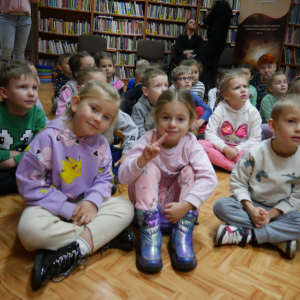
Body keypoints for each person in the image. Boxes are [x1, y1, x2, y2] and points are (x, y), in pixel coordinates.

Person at [16, 81, 135, 290]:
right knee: (29, 231)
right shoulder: (48, 137)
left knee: (126, 208)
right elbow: (30, 184)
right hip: (50, 207)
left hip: (86, 208)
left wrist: (92, 201)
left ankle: (73, 249)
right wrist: (67, 209)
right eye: (94, 109)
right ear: (76, 103)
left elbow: (105, 179)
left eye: (106, 117)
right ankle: (102, 237)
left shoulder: (101, 144)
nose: (98, 118)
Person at [119, 88, 218, 272]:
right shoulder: (147, 140)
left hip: (177, 209)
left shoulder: (190, 143)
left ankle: (182, 233)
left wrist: (187, 205)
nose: (172, 124)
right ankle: (150, 236)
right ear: (156, 118)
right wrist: (142, 160)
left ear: (190, 122)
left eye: (180, 119)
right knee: (148, 167)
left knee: (191, 170)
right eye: (166, 118)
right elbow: (123, 177)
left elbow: (210, 178)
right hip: (146, 203)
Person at [213, 94, 300, 259]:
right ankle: (277, 238)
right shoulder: (255, 152)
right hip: (250, 205)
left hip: (281, 210)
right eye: (291, 121)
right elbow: (238, 183)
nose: (298, 128)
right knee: (221, 205)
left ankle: (248, 235)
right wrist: (252, 210)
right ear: (273, 125)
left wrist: (272, 214)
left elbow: (297, 196)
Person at [199, 69, 262, 171]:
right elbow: (209, 133)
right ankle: (233, 167)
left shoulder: (253, 112)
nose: (243, 90)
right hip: (219, 148)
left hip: (240, 151)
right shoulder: (220, 109)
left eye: (245, 86)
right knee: (200, 145)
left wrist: (236, 149)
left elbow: (255, 139)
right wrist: (225, 148)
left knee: (259, 155)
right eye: (237, 88)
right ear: (226, 95)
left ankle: (221, 162)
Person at [0, 64, 46, 195]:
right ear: (4, 92)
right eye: (23, 87)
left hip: (28, 162)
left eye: (34, 88)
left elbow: (42, 148)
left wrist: (12, 160)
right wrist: (9, 154)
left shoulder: (38, 114)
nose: (31, 93)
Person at [172, 65, 212, 139]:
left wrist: (200, 121)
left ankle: (201, 136)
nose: (187, 81)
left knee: (200, 109)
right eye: (182, 79)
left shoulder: (191, 94)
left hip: (190, 124)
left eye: (189, 78)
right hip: (177, 123)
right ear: (174, 84)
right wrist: (190, 122)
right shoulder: (171, 96)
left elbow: (208, 109)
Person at [199, 0, 232, 88]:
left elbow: (207, 20)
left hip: (214, 40)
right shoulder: (228, 7)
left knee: (198, 63)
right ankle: (215, 88)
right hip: (221, 41)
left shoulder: (218, 3)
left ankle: (206, 86)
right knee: (214, 66)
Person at [131, 67, 168, 139]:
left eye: (166, 85)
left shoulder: (169, 106)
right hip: (146, 145)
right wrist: (156, 139)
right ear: (146, 91)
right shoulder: (139, 108)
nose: (164, 89)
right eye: (158, 85)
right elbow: (137, 132)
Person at [56, 51, 95, 117]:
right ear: (77, 73)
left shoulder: (98, 84)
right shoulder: (68, 89)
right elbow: (60, 116)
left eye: (94, 66)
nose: (94, 70)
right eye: (88, 68)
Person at [260, 73, 288, 138]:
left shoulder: (288, 98)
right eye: (278, 83)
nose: (283, 85)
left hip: (282, 125)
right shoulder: (267, 99)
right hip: (267, 125)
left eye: (285, 82)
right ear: (270, 88)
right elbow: (269, 119)